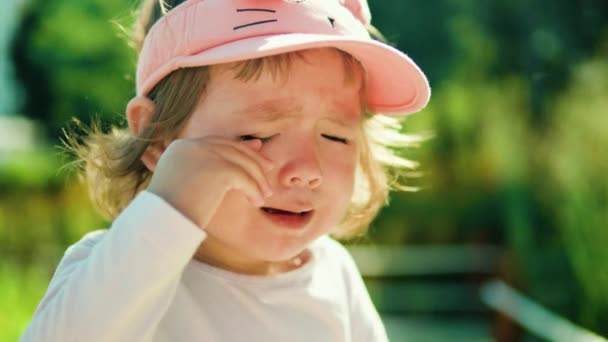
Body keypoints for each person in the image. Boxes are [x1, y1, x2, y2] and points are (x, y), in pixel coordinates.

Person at [20, 0, 430, 341]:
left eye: (336, 137)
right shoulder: (118, 268)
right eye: (258, 135)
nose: (306, 170)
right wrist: (170, 208)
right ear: (159, 139)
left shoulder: (333, 275)